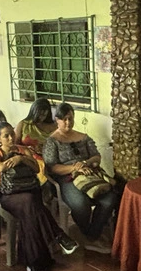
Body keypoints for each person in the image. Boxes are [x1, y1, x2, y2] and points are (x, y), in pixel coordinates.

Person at [0, 121, 78, 271]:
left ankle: (34, 264)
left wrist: (21, 159)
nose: (11, 138)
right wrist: (16, 159)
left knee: (30, 212)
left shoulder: (24, 150)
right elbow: (1, 167)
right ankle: (58, 236)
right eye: (6, 136)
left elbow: (36, 168)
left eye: (12, 134)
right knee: (31, 203)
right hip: (9, 195)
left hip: (29, 190)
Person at [42, 103, 121, 252]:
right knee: (80, 204)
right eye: (64, 119)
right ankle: (90, 234)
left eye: (70, 118)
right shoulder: (52, 141)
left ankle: (90, 234)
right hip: (67, 178)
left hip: (90, 175)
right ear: (57, 120)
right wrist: (74, 168)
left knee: (109, 198)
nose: (68, 122)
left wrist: (86, 163)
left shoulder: (83, 137)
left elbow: (96, 156)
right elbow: (52, 167)